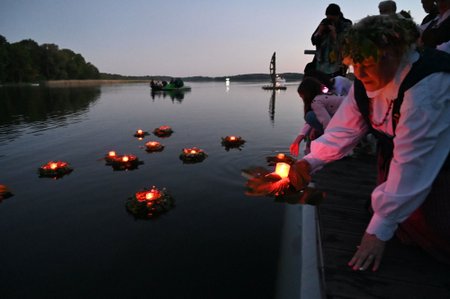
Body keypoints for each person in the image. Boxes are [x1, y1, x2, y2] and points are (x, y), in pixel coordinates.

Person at [248, 15, 450, 271]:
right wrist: (308, 163)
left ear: (394, 53)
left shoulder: (427, 89)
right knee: (399, 217)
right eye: (355, 65)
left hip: (440, 162)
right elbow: (341, 132)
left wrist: (376, 233)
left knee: (435, 233)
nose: (360, 74)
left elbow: (414, 165)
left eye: (366, 64)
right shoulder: (364, 84)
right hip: (398, 161)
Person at [290, 77, 345, 156]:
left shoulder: (316, 102)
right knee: (311, 120)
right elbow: (321, 115)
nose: (302, 99)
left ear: (308, 94)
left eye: (302, 97)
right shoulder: (326, 95)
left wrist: (326, 142)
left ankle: (334, 145)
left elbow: (327, 123)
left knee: (309, 116)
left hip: (345, 124)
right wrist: (313, 128)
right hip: (344, 119)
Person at [311, 4, 352, 77]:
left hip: (338, 63)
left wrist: (334, 34)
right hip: (321, 63)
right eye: (328, 18)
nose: (330, 21)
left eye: (332, 19)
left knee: (337, 85)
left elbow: (346, 43)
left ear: (338, 16)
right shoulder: (325, 22)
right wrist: (319, 32)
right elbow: (313, 41)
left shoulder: (346, 24)